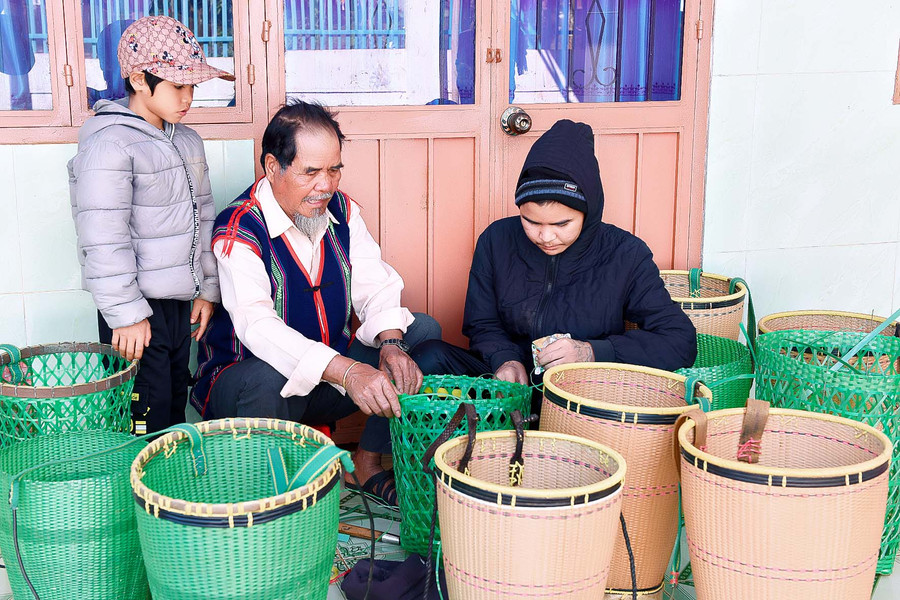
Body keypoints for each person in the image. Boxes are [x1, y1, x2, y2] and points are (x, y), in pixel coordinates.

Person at [192, 101, 442, 507]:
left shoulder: (341, 210)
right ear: (273, 167)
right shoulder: (240, 229)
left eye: (334, 169)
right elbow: (257, 327)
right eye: (311, 172)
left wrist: (392, 344)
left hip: (325, 381)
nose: (326, 185)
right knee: (266, 376)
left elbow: (373, 282)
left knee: (422, 333)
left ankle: (367, 462)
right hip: (251, 391)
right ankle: (267, 501)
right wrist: (350, 372)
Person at [412, 119, 697, 396]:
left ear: (589, 211)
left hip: (581, 391)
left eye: (562, 224)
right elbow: (482, 323)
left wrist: (591, 351)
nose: (546, 237)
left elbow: (679, 340)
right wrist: (505, 359)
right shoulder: (496, 240)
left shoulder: (626, 254)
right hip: (510, 384)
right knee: (428, 357)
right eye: (531, 222)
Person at [69, 15, 235, 434]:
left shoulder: (187, 140)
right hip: (135, 310)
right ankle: (139, 499)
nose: (188, 98)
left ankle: (169, 493)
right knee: (146, 414)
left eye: (192, 86)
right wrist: (125, 315)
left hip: (180, 305)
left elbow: (204, 218)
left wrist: (206, 289)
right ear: (140, 80)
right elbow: (103, 237)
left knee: (174, 402)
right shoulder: (110, 143)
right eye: (178, 85)